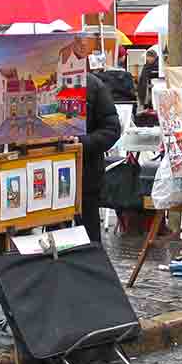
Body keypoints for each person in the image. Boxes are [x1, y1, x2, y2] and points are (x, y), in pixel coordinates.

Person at [78, 70, 123, 244]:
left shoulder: (93, 85)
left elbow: (111, 130)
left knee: (89, 237)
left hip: (86, 176)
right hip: (45, 177)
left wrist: (81, 142)